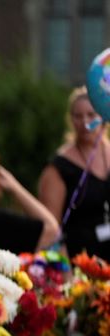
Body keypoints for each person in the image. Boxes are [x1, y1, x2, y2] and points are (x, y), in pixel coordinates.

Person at [38, 87, 110, 260]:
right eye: (78, 116)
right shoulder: (59, 167)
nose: (85, 122)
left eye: (91, 115)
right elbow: (50, 227)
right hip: (78, 260)